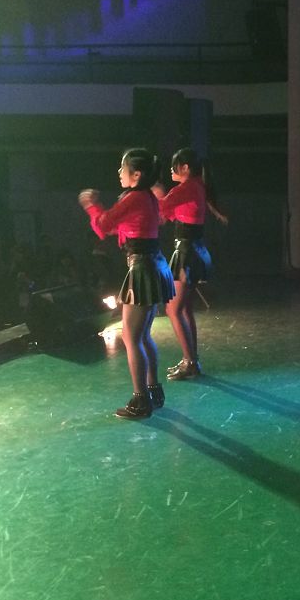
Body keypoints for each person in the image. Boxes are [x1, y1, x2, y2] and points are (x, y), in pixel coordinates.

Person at [79, 147, 174, 419]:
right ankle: (153, 391)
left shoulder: (135, 197)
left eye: (123, 168)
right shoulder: (145, 198)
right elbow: (114, 227)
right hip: (153, 265)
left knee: (132, 337)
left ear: (136, 174)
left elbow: (103, 225)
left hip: (142, 268)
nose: (119, 172)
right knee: (142, 335)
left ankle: (141, 399)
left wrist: (90, 205)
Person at [154, 147, 224, 381]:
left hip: (187, 252)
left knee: (172, 309)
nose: (170, 170)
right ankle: (191, 360)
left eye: (174, 166)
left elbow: (160, 207)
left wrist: (157, 195)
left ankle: (190, 362)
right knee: (184, 308)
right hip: (192, 250)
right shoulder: (195, 187)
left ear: (184, 167)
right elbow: (173, 214)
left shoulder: (187, 188)